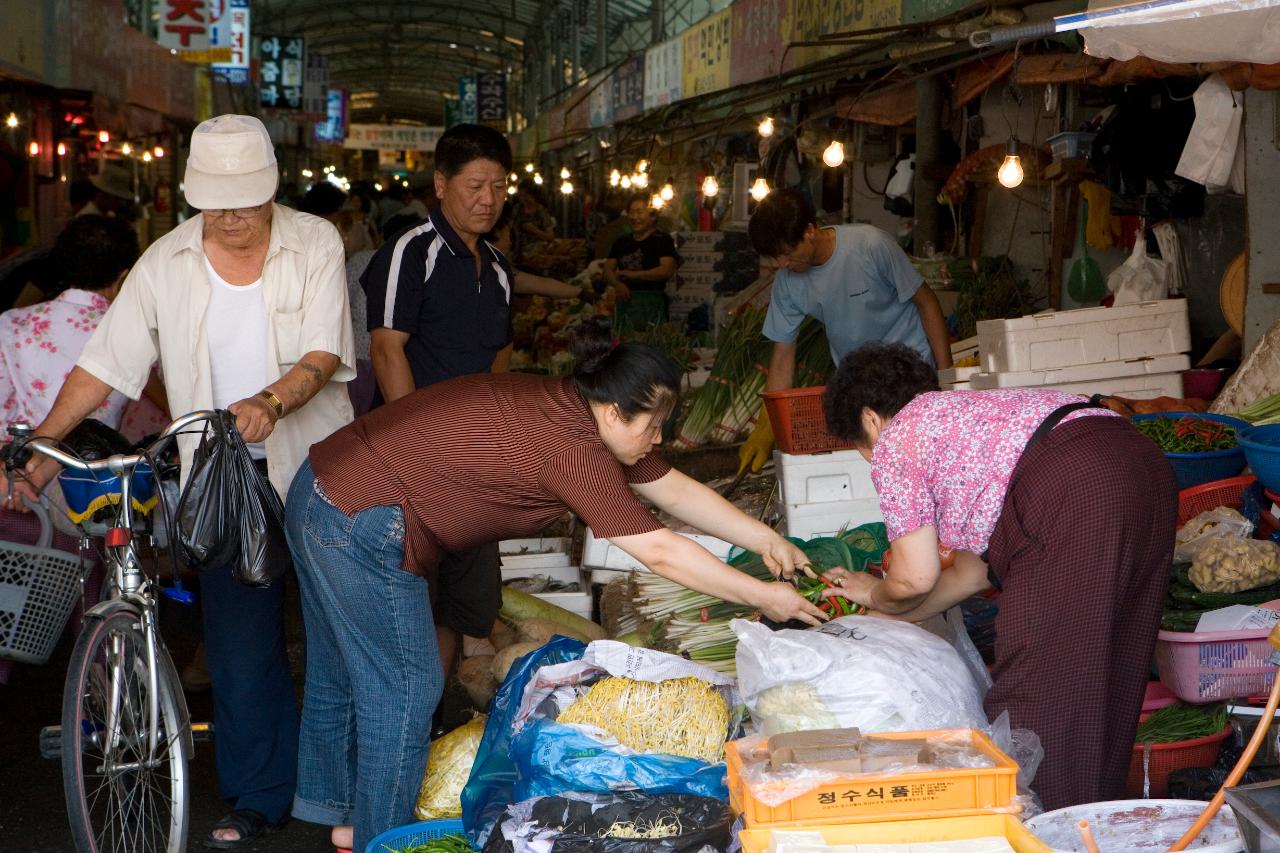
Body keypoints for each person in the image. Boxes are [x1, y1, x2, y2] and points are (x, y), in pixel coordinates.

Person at [286, 319, 827, 852]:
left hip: (323, 488)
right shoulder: (572, 450)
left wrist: (763, 540)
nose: (658, 439)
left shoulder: (574, 406)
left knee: (339, 671)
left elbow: (672, 488)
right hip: (357, 516)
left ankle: (338, 819)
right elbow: (660, 550)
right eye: (653, 426)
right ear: (615, 410)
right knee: (406, 688)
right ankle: (381, 839)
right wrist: (762, 594)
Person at [4, 114, 357, 849]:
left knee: (332, 628)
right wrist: (45, 443)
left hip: (319, 461)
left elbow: (324, 350)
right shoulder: (166, 261)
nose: (229, 216)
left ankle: (339, 790)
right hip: (218, 473)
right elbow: (105, 364)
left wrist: (272, 400)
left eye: (244, 200)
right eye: (214, 201)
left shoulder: (314, 242)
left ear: (270, 191)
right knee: (239, 640)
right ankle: (258, 795)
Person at [819, 343, 1176, 810]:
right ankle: (1095, 823)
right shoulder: (966, 417)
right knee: (1110, 668)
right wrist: (891, 615)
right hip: (1142, 465)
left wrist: (877, 594)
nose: (869, 457)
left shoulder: (897, 440)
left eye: (860, 446)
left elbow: (913, 578)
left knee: (1039, 693)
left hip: (1074, 492)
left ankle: (1039, 829)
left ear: (869, 419)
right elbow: (968, 575)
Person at [360, 124, 518, 689]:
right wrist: (417, 452)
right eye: (475, 185)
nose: (488, 199)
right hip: (412, 471)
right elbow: (386, 348)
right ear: (440, 184)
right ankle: (408, 728)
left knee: (464, 607)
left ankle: (435, 721)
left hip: (475, 471)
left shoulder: (498, 269)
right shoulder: (410, 253)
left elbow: (499, 361)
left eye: (499, 186)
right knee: (411, 605)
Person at [738, 189, 953, 475]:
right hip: (858, 387)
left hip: (911, 375)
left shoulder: (870, 245)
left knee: (919, 466)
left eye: (787, 253)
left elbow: (926, 302)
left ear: (810, 231)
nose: (782, 264)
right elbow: (782, 356)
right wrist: (767, 424)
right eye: (776, 258)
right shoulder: (787, 284)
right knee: (875, 473)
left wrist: (948, 376)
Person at [603, 194, 679, 333]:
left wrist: (634, 275)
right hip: (624, 303)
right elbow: (607, 270)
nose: (634, 217)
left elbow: (666, 270)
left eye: (639, 212)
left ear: (653, 216)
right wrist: (617, 284)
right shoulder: (622, 242)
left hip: (652, 303)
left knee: (650, 346)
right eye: (631, 212)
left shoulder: (662, 239)